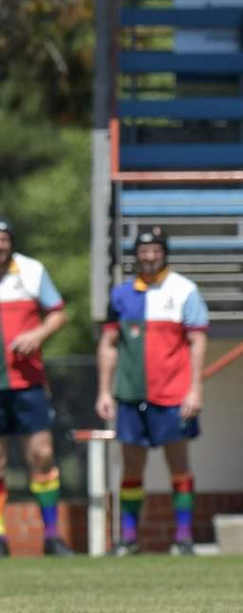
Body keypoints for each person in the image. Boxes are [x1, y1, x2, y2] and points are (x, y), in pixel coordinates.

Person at [95, 226, 209, 556]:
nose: (149, 256)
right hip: (131, 394)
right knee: (131, 467)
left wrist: (194, 389)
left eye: (155, 250)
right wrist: (104, 391)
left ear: (164, 252)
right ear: (136, 255)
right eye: (143, 251)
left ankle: (184, 538)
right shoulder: (122, 295)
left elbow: (198, 341)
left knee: (179, 464)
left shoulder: (185, 290)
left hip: (173, 394)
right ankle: (129, 539)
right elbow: (109, 343)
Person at [0, 217, 73, 557]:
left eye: (3, 238)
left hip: (27, 381)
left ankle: (53, 536)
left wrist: (37, 334)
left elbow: (59, 313)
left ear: (10, 242)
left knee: (42, 455)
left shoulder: (31, 270)